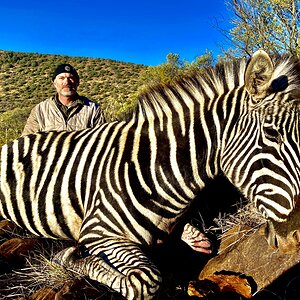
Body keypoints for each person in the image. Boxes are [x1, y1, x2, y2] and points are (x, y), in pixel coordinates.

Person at [22, 63, 105, 136]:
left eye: (71, 78)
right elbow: (26, 142)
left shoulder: (93, 109)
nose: (67, 82)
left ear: (78, 82)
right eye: (61, 78)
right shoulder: (40, 110)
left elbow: (102, 141)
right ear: (54, 83)